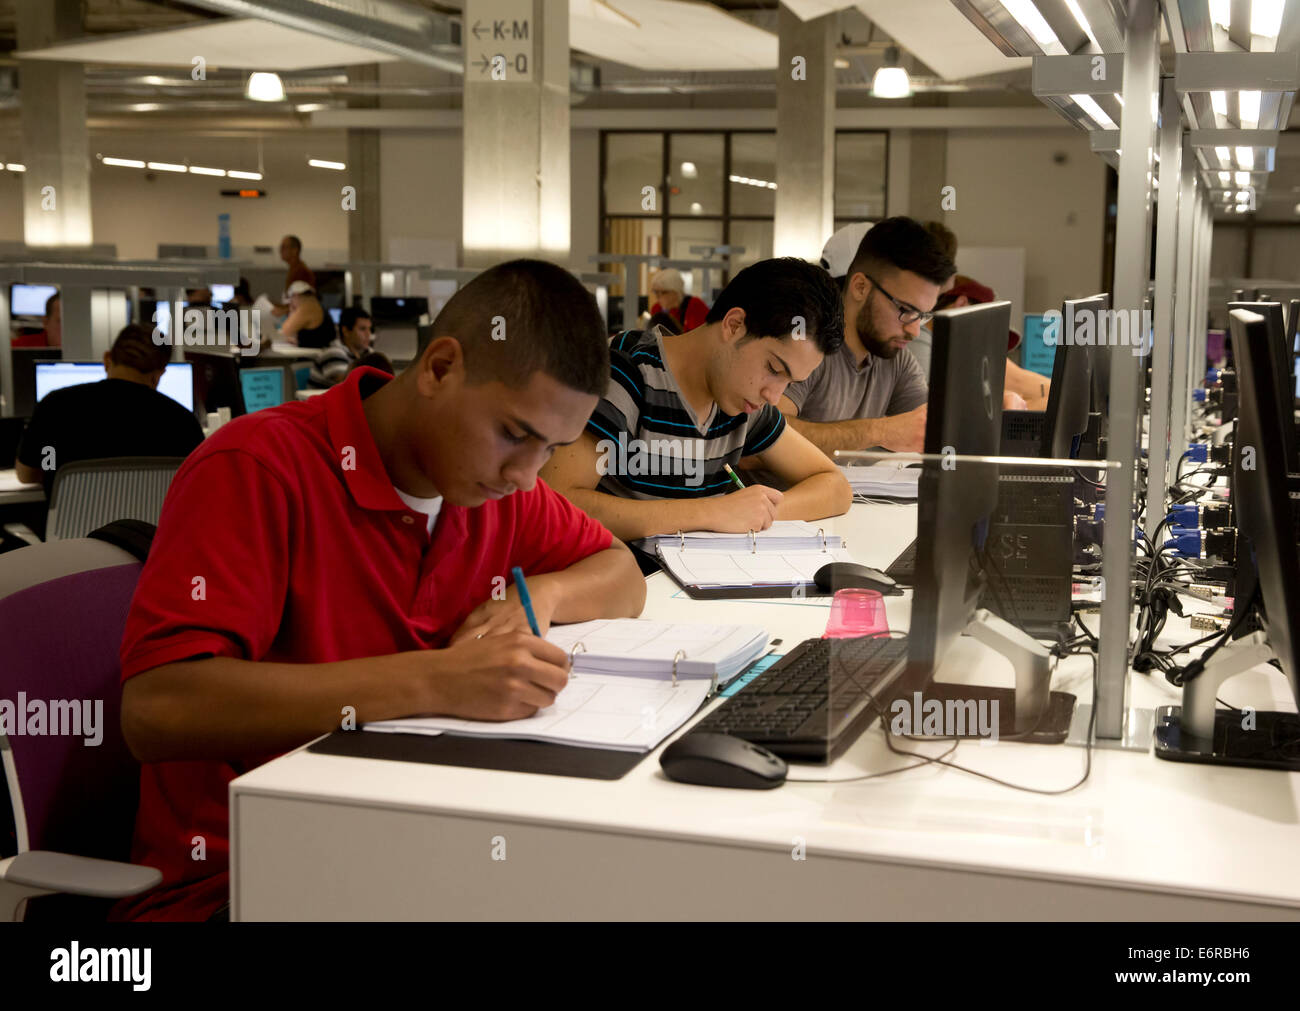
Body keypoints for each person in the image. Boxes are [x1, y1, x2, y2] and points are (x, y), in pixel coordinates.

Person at [113, 259, 646, 921]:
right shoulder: (257, 468)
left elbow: (620, 573)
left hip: (416, 846)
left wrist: (534, 600)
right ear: (440, 368)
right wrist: (440, 679)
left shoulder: (493, 494)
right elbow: (157, 707)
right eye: (515, 434)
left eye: (551, 449)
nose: (525, 474)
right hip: (245, 882)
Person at [540, 257, 852, 545]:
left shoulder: (742, 401)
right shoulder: (626, 371)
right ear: (733, 325)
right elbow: (557, 503)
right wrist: (712, 513)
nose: (774, 395)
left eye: (790, 381)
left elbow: (835, 486)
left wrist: (754, 515)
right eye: (774, 369)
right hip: (615, 591)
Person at [786, 217, 951, 456]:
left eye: (923, 316)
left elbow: (932, 430)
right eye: (905, 310)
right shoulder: (805, 342)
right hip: (782, 494)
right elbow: (759, 442)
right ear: (860, 287)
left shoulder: (895, 357)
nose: (914, 331)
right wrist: (879, 432)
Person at [14, 324, 203, 494]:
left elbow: (27, 475)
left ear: (107, 359)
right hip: (150, 532)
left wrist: (56, 464)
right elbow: (194, 482)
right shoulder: (183, 422)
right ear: (159, 374)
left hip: (71, 532)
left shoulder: (55, 405)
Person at [308, 306, 374, 387]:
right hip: (324, 399)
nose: (368, 334)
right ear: (345, 331)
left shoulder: (369, 352)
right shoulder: (333, 352)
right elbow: (348, 385)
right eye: (362, 329)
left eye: (369, 329)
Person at [277, 280, 337, 349]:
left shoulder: (307, 307)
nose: (291, 303)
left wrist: (292, 310)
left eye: (291, 299)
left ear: (295, 295)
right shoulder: (315, 304)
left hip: (317, 355)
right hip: (322, 350)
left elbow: (285, 331)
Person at [271, 235, 315, 318]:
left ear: (295, 250)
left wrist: (282, 310)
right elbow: (291, 302)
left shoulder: (301, 271)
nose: (280, 251)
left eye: (283, 247)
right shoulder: (293, 269)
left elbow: (303, 303)